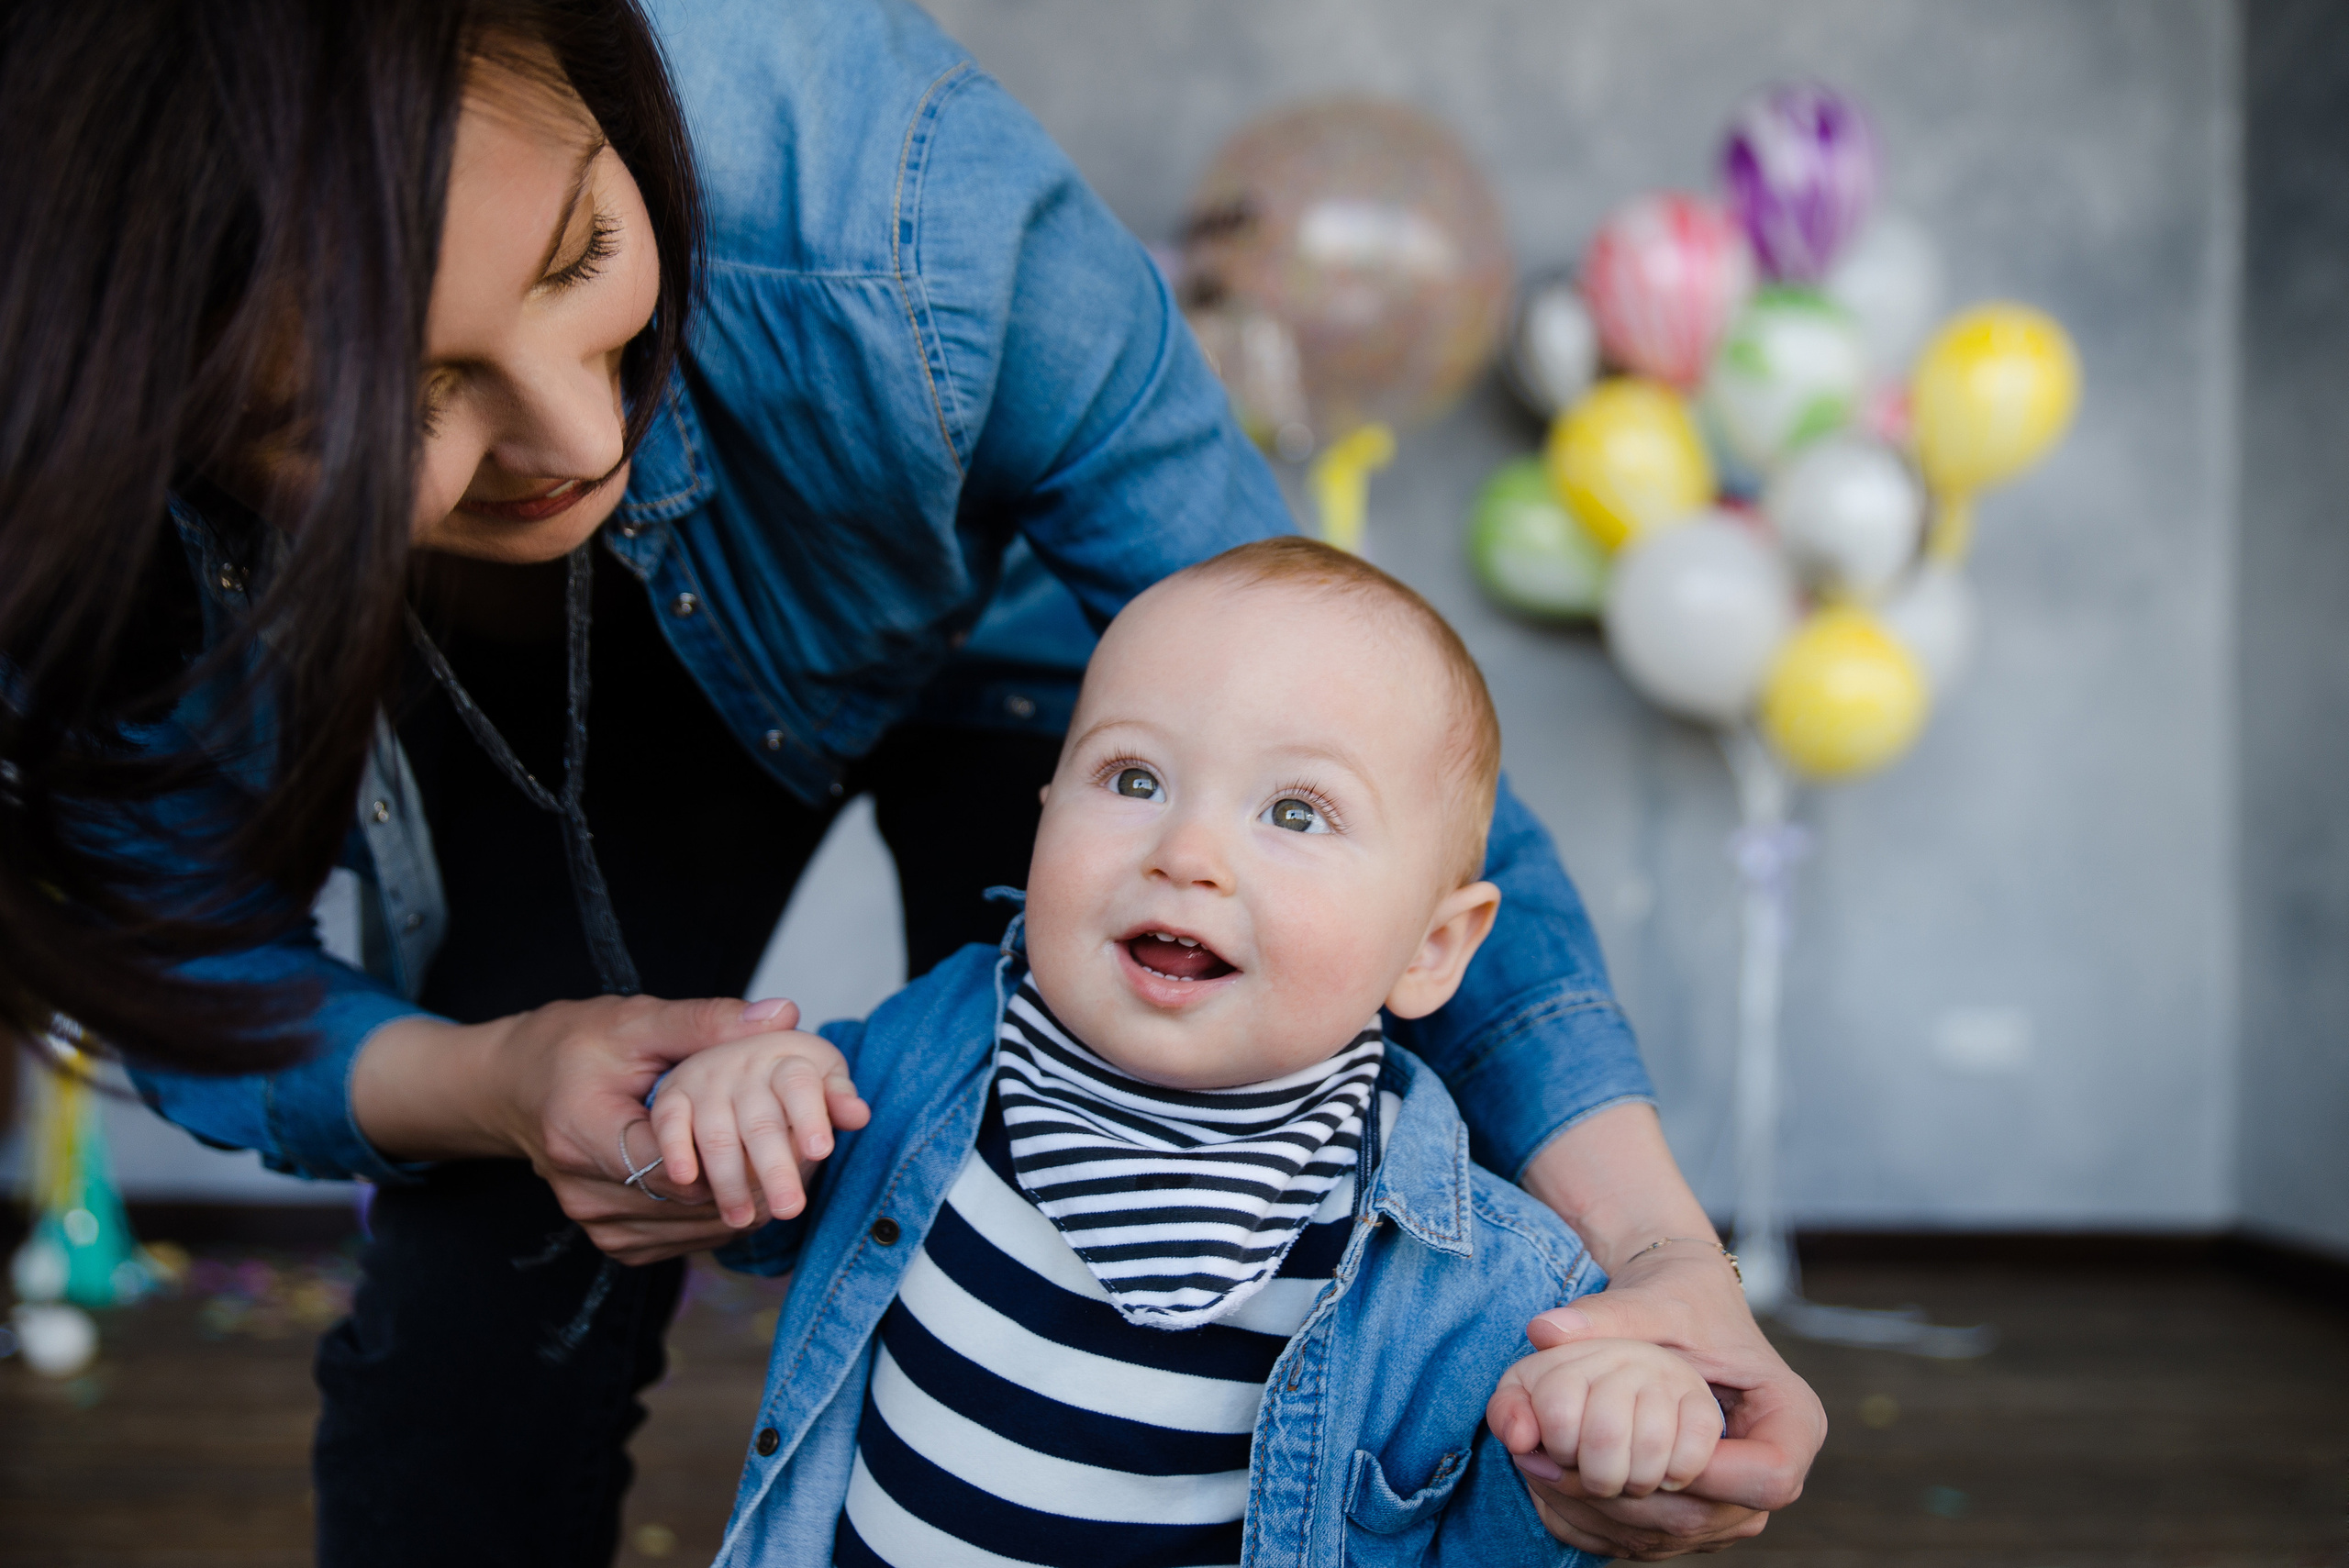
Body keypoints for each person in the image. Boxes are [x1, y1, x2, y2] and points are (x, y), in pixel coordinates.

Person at [0, 0, 1819, 1562]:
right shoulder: (81, 477)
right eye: (402, 402)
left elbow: (1387, 756)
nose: (577, 432)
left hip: (1033, 652)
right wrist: (495, 1076)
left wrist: (1657, 1254)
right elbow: (177, 958)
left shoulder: (894, 201)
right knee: (480, 1312)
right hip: (565, 717)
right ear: (152, 415)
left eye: (577, 256)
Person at [648, 539, 1745, 1566]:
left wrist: (1605, 1423)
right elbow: (766, 1204)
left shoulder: (1478, 1279)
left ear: (1430, 946)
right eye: (1134, 779)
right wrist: (746, 1099)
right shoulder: (926, 1053)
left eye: (1296, 812)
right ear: (1042, 818)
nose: (1186, 852)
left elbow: (1491, 1536)